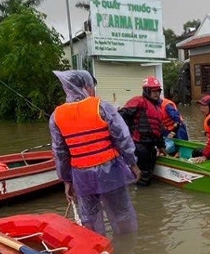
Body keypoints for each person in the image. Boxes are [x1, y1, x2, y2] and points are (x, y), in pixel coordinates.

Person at [50, 70, 139, 237]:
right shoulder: (102, 107)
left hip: (81, 176)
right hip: (110, 170)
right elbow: (123, 138)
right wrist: (132, 163)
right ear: (86, 87)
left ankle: (98, 249)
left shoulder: (56, 116)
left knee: (90, 218)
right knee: (122, 214)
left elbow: (60, 153)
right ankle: (127, 249)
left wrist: (66, 180)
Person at [119, 76, 169, 185]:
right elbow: (121, 116)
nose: (156, 93)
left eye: (158, 91)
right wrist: (127, 135)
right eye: (153, 91)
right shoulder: (138, 101)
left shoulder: (158, 108)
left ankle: (144, 191)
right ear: (147, 91)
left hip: (151, 146)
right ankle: (141, 194)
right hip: (139, 144)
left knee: (148, 173)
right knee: (143, 175)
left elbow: (158, 130)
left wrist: (161, 146)